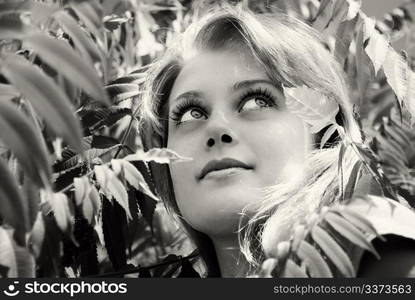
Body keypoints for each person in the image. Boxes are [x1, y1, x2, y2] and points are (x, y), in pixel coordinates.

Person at [138, 4, 415, 277]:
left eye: (256, 101)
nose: (216, 128)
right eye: (190, 113)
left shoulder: (375, 237)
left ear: (324, 133)